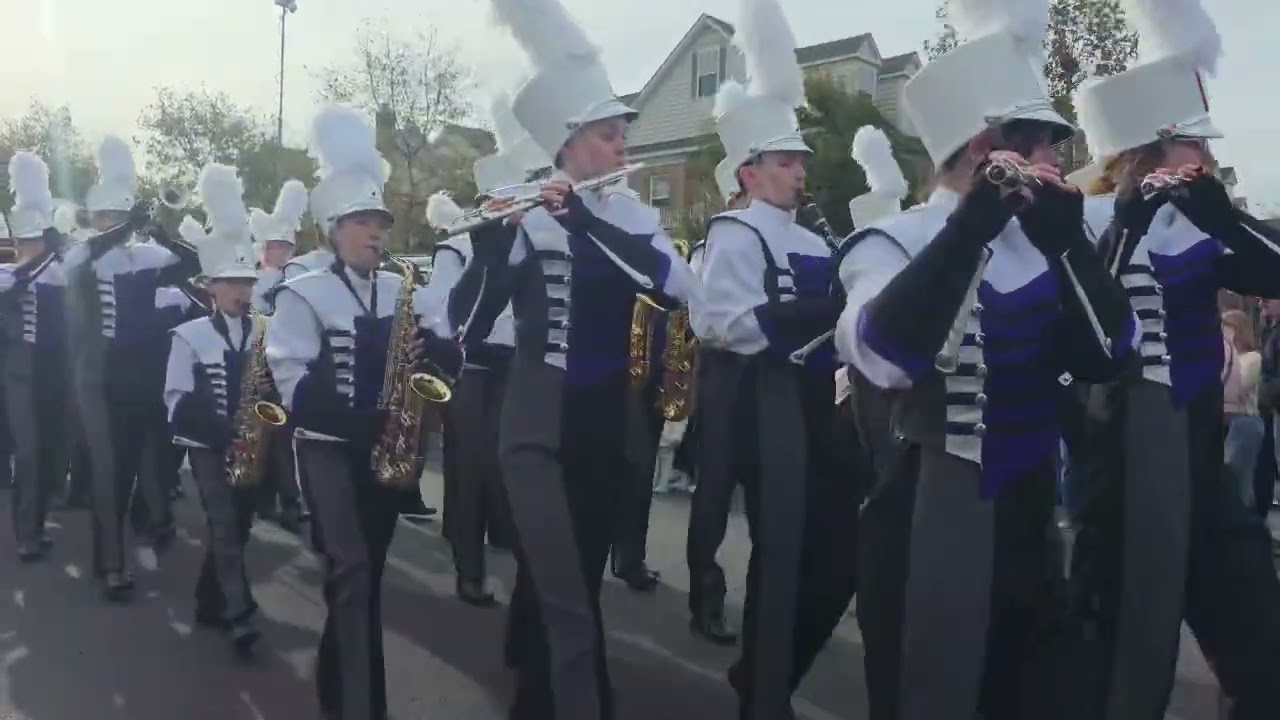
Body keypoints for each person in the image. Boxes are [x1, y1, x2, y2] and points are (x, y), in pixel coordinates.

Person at [835, 0, 1138, 717]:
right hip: (929, 514)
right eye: (1042, 145)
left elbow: (1108, 354)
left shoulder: (1047, 240)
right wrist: (972, 225)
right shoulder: (892, 241)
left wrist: (1070, 250)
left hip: (1032, 514)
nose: (1059, 164)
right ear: (986, 150)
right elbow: (885, 355)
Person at [448, 0, 697, 713]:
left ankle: (534, 684)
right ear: (570, 146)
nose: (623, 148)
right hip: (534, 426)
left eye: (623, 135)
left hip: (602, 425)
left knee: (577, 576)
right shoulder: (525, 215)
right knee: (566, 595)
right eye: (608, 135)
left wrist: (585, 222)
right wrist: (489, 256)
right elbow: (464, 323)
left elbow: (679, 292)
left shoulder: (629, 218)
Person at [1067, 2, 1280, 716]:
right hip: (1117, 454)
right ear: (1150, 148)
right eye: (1196, 146)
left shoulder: (1206, 214)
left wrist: (1225, 217)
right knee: (1124, 650)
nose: (1209, 160)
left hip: (1198, 445)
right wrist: (1126, 224)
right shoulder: (1086, 216)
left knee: (1258, 630)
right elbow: (1085, 321)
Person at [691, 1, 861, 716]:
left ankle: (767, 670)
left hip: (822, 405)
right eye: (787, 161)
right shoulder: (735, 231)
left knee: (833, 551)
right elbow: (720, 322)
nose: (800, 171)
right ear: (752, 171)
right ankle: (763, 689)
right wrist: (818, 314)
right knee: (782, 550)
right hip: (767, 404)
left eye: (800, 160)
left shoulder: (819, 238)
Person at [266, 105, 447, 720]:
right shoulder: (303, 293)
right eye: (363, 222)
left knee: (362, 581)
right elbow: (295, 386)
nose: (377, 233)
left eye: (381, 222)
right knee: (351, 567)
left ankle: (338, 689)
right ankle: (362, 706)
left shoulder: (402, 289)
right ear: (333, 230)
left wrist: (438, 355)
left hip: (385, 453)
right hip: (326, 450)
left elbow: (430, 360)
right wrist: (358, 421)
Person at [65, 136, 200, 601]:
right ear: (96, 219)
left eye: (121, 217)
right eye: (109, 218)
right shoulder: (82, 255)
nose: (116, 225)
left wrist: (156, 227)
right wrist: (120, 232)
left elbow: (192, 262)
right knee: (111, 472)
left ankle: (154, 522)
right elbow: (83, 264)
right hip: (99, 380)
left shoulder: (148, 256)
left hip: (147, 378)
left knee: (154, 464)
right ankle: (112, 563)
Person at [421, 109, 536, 605]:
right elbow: (442, 310)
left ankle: (505, 536)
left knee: (508, 459)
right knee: (468, 463)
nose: (516, 210)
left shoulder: (530, 240)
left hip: (517, 362)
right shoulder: (463, 241)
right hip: (471, 366)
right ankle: (468, 566)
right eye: (508, 201)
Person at [163, 163, 264, 657]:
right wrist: (223, 433)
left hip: (251, 447)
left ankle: (209, 601)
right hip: (207, 446)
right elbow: (177, 402)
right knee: (223, 525)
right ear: (211, 287)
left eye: (247, 282)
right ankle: (241, 613)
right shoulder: (189, 335)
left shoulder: (264, 333)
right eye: (232, 283)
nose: (242, 292)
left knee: (238, 528)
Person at [683, 154, 750, 647]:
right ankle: (704, 594)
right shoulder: (712, 248)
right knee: (715, 491)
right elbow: (703, 320)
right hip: (726, 376)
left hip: (774, 379)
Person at [1, 153, 69, 562]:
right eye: (27, 240)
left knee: (49, 455)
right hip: (20, 373)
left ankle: (38, 525)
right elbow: (20, 280)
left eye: (38, 240)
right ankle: (25, 532)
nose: (32, 246)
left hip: (56, 372)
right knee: (27, 453)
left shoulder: (60, 271)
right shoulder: (8, 273)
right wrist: (46, 255)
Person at [249, 179, 309, 533]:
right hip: (259, 363)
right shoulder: (255, 279)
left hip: (286, 363)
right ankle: (269, 498)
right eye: (275, 246)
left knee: (283, 435)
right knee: (267, 435)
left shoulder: (297, 277)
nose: (281, 252)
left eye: (286, 246)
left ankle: (288, 500)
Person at [1223, 310, 1265, 508]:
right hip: (1225, 420)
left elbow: (1239, 386)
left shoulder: (1252, 358)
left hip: (1244, 421)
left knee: (1238, 480)